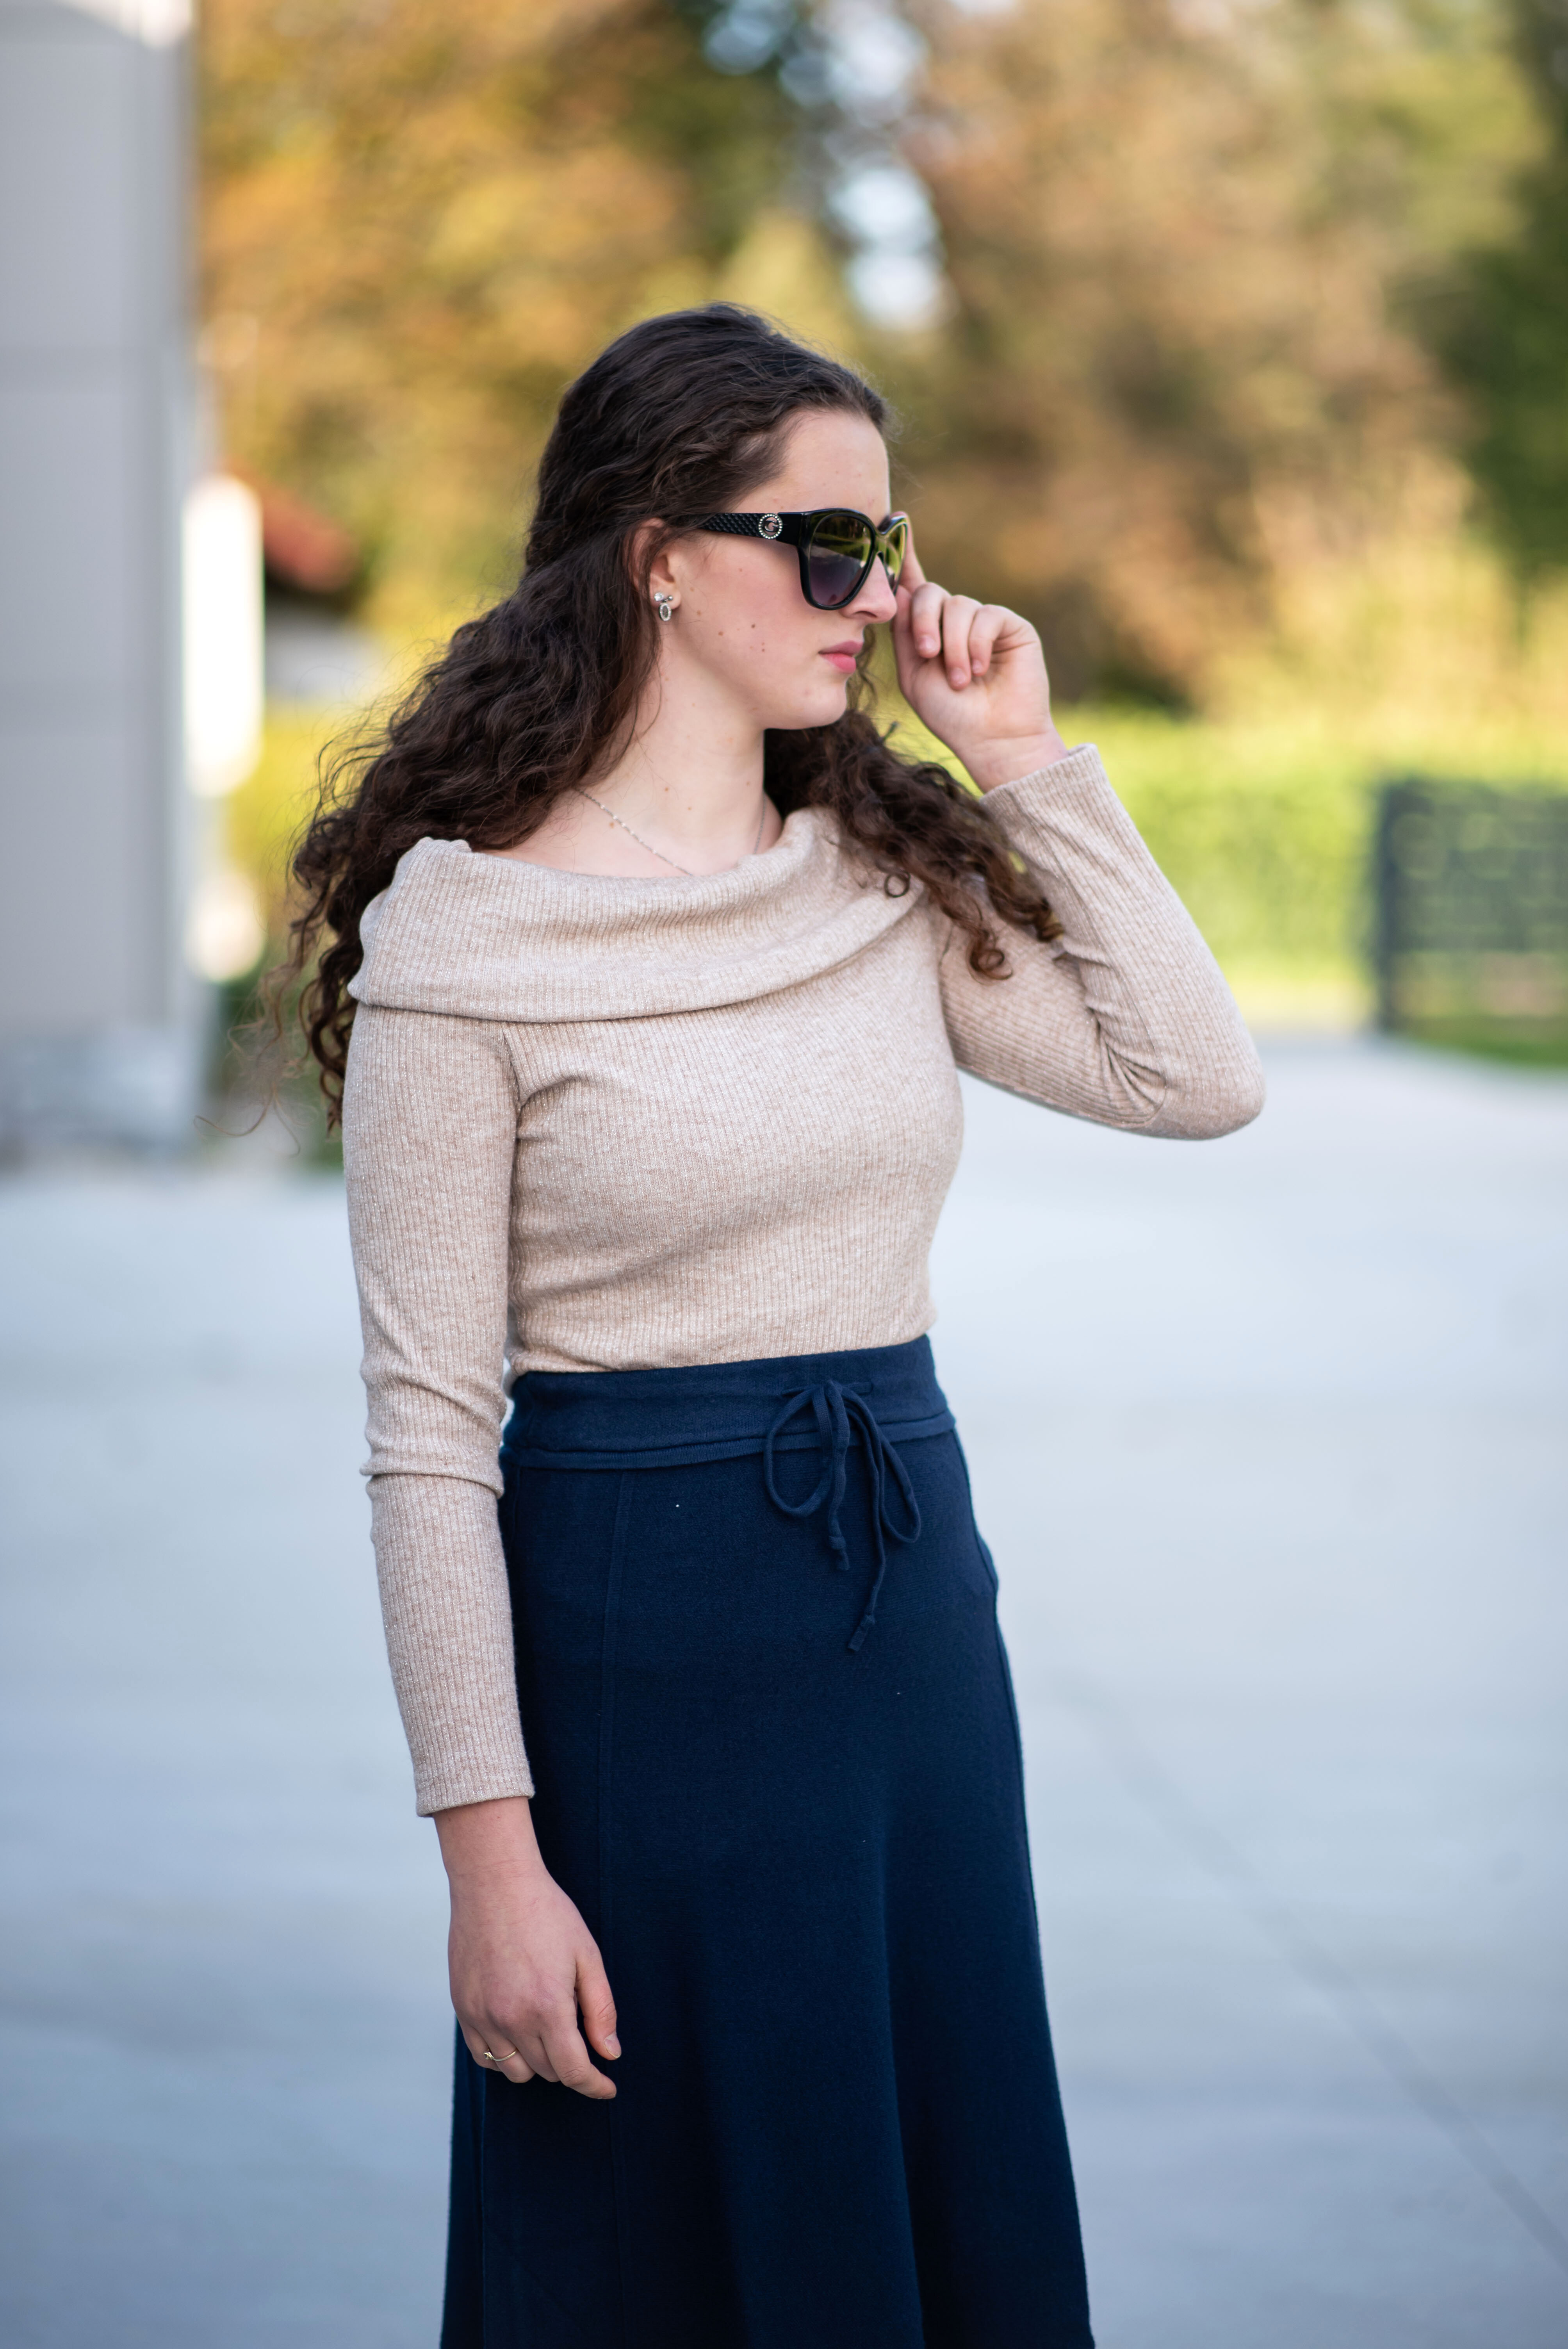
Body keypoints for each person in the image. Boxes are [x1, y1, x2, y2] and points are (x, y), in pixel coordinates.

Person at [283, 303, 1264, 2348]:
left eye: (888, 546)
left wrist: (1023, 762)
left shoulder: (876, 877)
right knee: (665, 2232)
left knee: (934, 2185)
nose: (881, 596)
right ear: (659, 554)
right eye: (828, 547)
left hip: (909, 1623)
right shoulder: (469, 935)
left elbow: (1193, 1079)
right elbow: (426, 1435)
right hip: (639, 1647)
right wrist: (489, 1865)